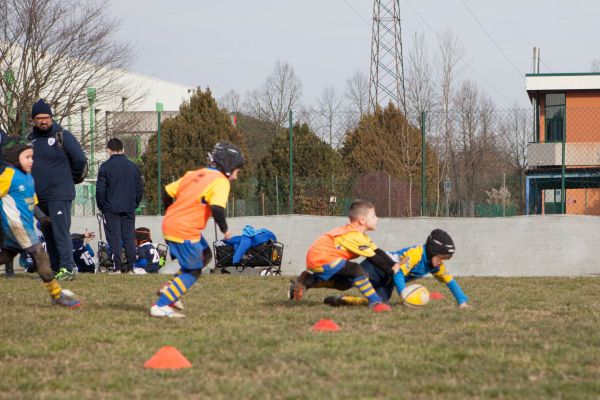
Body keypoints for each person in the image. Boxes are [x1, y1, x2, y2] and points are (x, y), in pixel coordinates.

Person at [150, 141, 244, 318]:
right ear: (229, 165)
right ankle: (160, 305)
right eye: (237, 171)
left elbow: (168, 191)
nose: (236, 177)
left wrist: (172, 213)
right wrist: (225, 230)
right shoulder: (221, 181)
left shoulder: (195, 173)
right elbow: (217, 208)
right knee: (193, 270)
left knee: (205, 255)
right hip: (184, 229)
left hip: (173, 224)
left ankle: (170, 288)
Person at [0, 140, 80, 307]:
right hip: (17, 227)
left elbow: (32, 202)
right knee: (41, 256)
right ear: (15, 158)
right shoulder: (8, 175)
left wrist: (43, 218)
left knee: (6, 256)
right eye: (27, 157)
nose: (32, 161)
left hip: (25, 227)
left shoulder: (29, 177)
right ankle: (57, 295)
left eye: (32, 157)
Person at [288, 199, 402, 313]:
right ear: (362, 220)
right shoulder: (353, 235)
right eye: (373, 216)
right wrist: (391, 272)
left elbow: (377, 251)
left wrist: (394, 264)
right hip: (322, 257)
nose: (377, 219)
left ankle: (308, 280)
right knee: (356, 270)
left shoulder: (360, 235)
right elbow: (373, 258)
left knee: (346, 283)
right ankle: (376, 302)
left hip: (319, 258)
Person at [324, 229, 472, 308]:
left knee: (379, 304)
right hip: (377, 267)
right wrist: (403, 294)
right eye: (441, 258)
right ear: (433, 250)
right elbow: (398, 274)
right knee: (347, 282)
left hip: (388, 281)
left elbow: (450, 282)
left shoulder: (436, 267)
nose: (442, 262)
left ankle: (343, 301)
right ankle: (316, 280)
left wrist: (462, 302)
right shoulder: (415, 254)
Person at [28, 99, 87, 281]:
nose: (44, 121)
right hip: (40, 196)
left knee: (61, 232)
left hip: (59, 194)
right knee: (49, 234)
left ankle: (68, 268)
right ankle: (53, 269)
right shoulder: (30, 139)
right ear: (33, 120)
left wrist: (70, 179)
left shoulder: (63, 135)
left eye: (47, 117)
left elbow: (79, 160)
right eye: (40, 118)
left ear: (52, 118)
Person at [95, 138, 143, 273]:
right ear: (123, 150)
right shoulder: (133, 167)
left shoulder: (105, 166)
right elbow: (139, 188)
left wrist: (102, 206)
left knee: (114, 237)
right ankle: (132, 265)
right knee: (129, 236)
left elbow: (100, 190)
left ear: (108, 150)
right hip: (128, 206)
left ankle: (116, 265)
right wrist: (134, 203)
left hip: (111, 208)